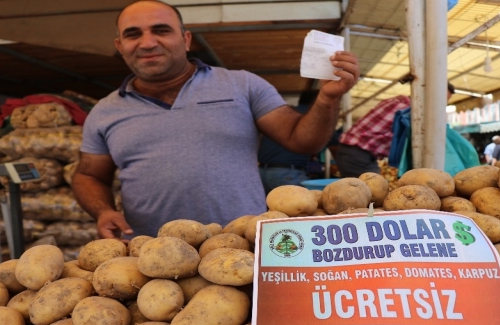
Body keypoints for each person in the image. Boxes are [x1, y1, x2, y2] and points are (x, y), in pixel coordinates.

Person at [71, 0, 360, 239]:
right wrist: (103, 211)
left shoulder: (243, 85)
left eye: (161, 30)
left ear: (185, 40)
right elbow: (89, 175)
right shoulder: (105, 111)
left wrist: (327, 100)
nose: (148, 43)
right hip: (152, 256)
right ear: (120, 46)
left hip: (242, 244)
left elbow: (302, 140)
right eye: (133, 34)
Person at [337, 83, 454, 178]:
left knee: (372, 190)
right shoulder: (405, 109)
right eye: (441, 98)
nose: (442, 104)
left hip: (356, 151)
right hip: (356, 153)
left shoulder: (400, 103)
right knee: (371, 194)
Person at [257, 91, 317, 194]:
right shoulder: (312, 118)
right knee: (301, 207)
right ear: (316, 102)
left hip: (261, 172)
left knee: (269, 209)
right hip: (287, 174)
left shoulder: (284, 114)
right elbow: (333, 143)